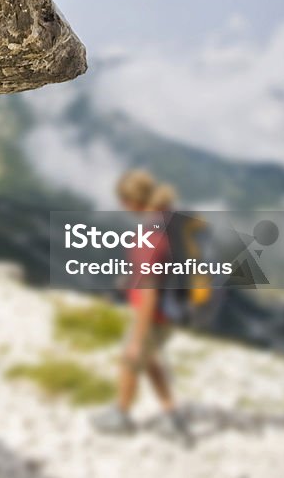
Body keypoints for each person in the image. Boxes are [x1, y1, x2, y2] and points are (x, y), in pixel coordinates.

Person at [93, 170, 190, 441]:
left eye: (123, 200)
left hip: (157, 313)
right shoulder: (169, 219)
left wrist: (137, 338)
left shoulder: (149, 235)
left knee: (131, 358)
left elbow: (149, 292)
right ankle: (172, 415)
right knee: (148, 361)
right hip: (174, 307)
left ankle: (120, 416)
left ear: (132, 200)